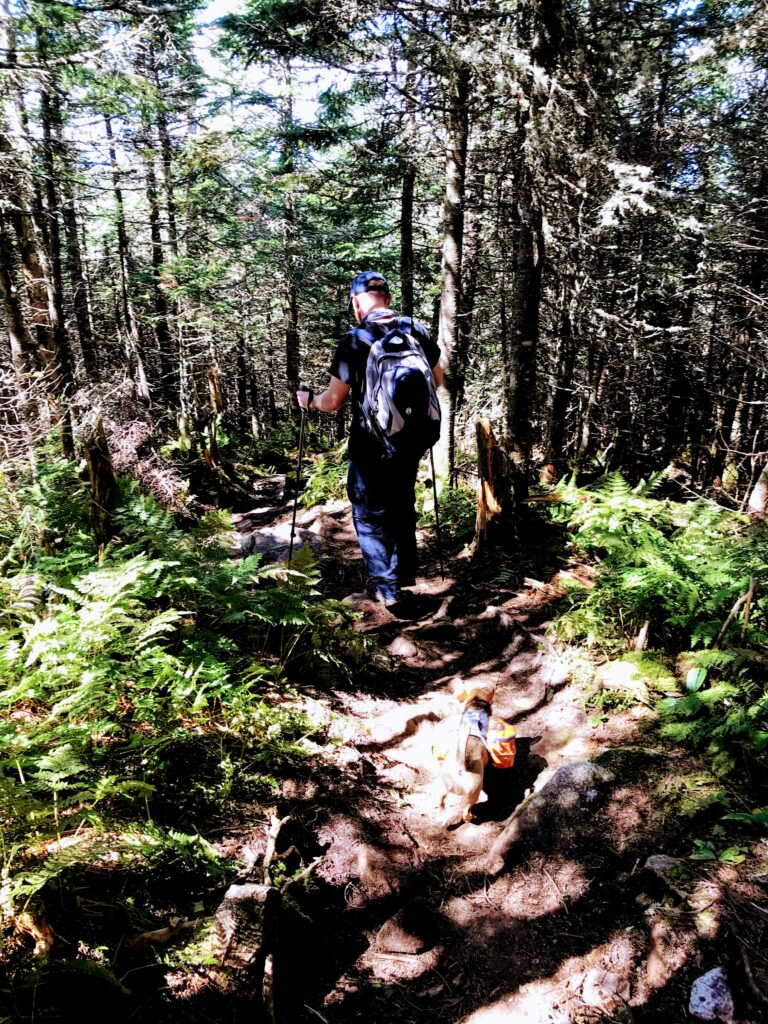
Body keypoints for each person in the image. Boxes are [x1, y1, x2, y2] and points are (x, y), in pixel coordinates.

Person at [297, 271, 443, 610]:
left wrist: (309, 401)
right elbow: (438, 380)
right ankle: (403, 575)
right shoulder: (414, 330)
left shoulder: (355, 339)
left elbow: (332, 402)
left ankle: (387, 590)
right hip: (411, 437)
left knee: (370, 512)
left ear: (357, 302)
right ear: (387, 299)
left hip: (371, 443)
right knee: (402, 504)